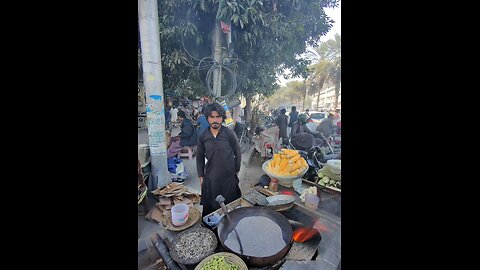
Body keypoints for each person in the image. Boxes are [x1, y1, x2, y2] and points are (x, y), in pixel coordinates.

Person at [197, 103, 242, 217]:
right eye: (212, 117)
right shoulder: (203, 136)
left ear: (222, 118)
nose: (215, 120)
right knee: (211, 209)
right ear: (207, 118)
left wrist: (236, 171)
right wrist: (201, 176)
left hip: (228, 177)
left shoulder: (229, 133)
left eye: (218, 117)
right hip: (211, 177)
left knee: (231, 208)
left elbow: (237, 152)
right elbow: (200, 156)